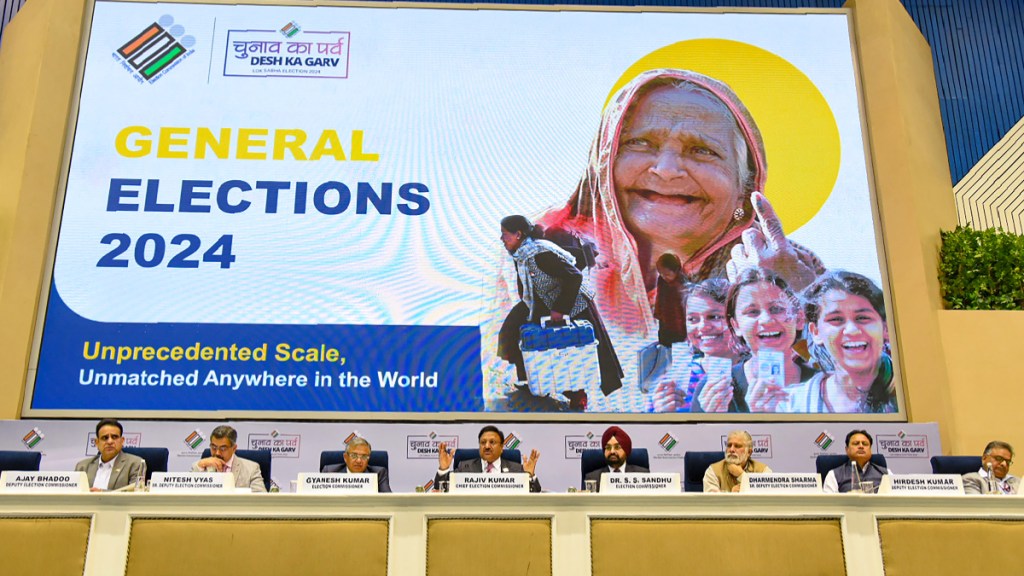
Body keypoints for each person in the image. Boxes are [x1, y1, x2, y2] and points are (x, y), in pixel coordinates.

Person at [536, 68, 824, 345]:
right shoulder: (542, 251)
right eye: (640, 143)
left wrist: (796, 299)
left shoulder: (791, 268)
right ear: (603, 164)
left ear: (744, 189)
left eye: (702, 150)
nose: (666, 170)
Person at [495, 215, 624, 409]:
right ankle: (535, 380)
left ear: (518, 234)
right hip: (540, 300)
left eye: (505, 234)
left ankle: (577, 394)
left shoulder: (540, 253)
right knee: (511, 333)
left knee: (567, 349)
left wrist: (560, 309)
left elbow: (574, 277)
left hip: (570, 302)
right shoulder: (521, 253)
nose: (502, 239)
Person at [692, 268, 817, 412]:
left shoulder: (823, 386)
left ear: (799, 319)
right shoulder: (715, 393)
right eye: (752, 312)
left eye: (777, 309)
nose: (766, 320)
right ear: (736, 325)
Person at [781, 271, 896, 413]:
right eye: (836, 319)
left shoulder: (912, 394)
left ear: (886, 328)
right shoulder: (788, 406)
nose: (852, 330)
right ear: (816, 332)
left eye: (863, 318)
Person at [649, 278, 745, 412]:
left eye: (714, 317)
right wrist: (662, 416)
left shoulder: (754, 371)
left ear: (736, 321)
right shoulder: (675, 382)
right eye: (693, 319)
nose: (703, 327)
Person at [434, 425, 541, 492]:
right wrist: (443, 470)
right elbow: (440, 490)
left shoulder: (516, 469)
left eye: (492, 442)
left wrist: (530, 476)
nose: (487, 446)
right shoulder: (465, 467)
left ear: (501, 447)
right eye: (483, 442)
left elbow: (536, 494)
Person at [75, 418, 145, 492]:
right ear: (97, 442)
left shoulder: (135, 464)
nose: (110, 441)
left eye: (114, 437)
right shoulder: (82, 466)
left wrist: (102, 493)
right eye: (105, 438)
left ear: (122, 441)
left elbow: (135, 493)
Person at [192, 425, 267, 493]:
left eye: (223, 448)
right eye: (214, 447)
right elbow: (189, 492)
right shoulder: (201, 466)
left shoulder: (251, 469)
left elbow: (261, 499)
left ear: (234, 448)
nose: (217, 453)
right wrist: (200, 465)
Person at [584, 426, 650, 491]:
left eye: (617, 447)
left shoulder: (643, 475)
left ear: (626, 450)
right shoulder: (592, 478)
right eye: (608, 448)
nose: (612, 451)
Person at [703, 430, 771, 492]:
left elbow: (767, 497)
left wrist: (741, 475)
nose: (731, 449)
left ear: (749, 452)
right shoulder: (713, 471)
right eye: (729, 445)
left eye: (737, 446)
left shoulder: (763, 470)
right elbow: (711, 500)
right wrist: (731, 496)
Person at [823, 429, 889, 493]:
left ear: (870, 450)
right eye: (856, 443)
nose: (861, 446)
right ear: (847, 450)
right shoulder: (834, 475)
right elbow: (829, 500)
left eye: (865, 444)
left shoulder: (886, 473)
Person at [321, 436, 392, 493]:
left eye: (364, 457)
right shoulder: (329, 472)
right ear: (345, 457)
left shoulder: (378, 474)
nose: (358, 461)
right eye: (354, 456)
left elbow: (388, 500)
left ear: (368, 458)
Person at [653, 253, 686, 346]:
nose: (664, 277)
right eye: (661, 274)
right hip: (665, 319)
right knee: (665, 343)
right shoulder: (661, 280)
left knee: (679, 344)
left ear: (675, 270)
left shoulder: (682, 282)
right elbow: (659, 297)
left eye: (667, 274)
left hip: (679, 321)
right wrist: (657, 313)